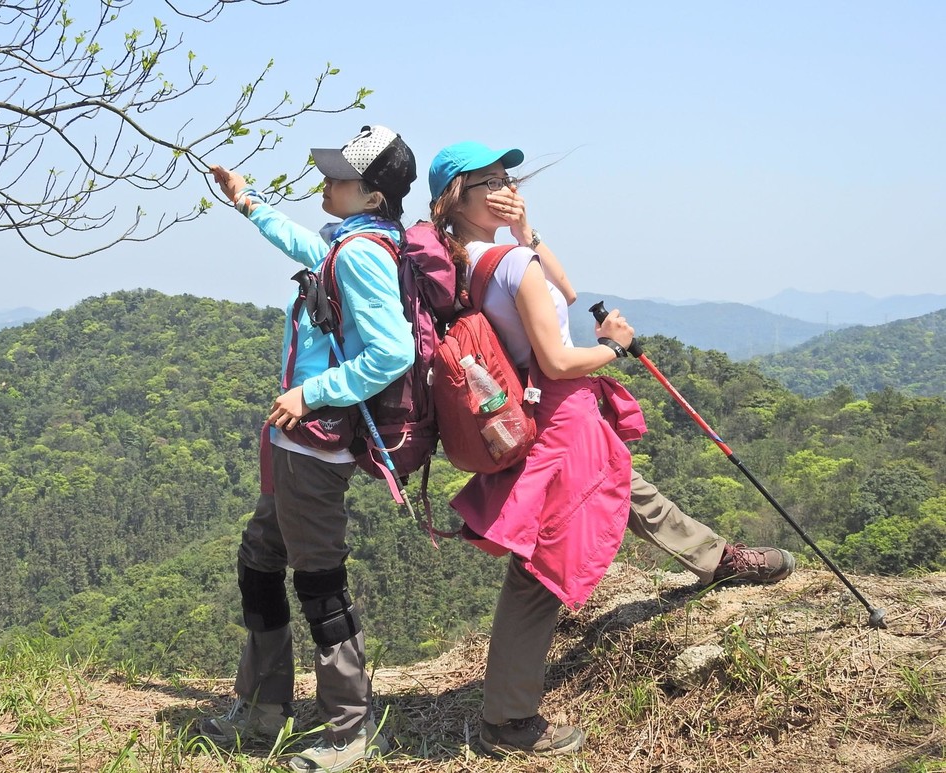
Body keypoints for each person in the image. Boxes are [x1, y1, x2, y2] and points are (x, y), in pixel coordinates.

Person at [426, 141, 794, 757]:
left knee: (624, 485)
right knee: (545, 562)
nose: (502, 185)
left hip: (539, 411)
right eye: (484, 180)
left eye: (505, 176)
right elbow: (562, 356)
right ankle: (507, 720)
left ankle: (715, 557)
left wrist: (525, 228)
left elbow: (563, 296)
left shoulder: (474, 262)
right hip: (562, 415)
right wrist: (617, 346)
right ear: (454, 196)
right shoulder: (512, 266)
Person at [198, 125, 418, 773]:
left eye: (338, 176)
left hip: (316, 441)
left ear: (372, 194)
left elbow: (392, 351)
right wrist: (247, 201)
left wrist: (311, 393)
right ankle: (266, 706)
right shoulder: (348, 242)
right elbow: (305, 244)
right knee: (260, 557)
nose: (326, 181)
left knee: (320, 580)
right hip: (297, 438)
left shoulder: (360, 255)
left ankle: (350, 727)